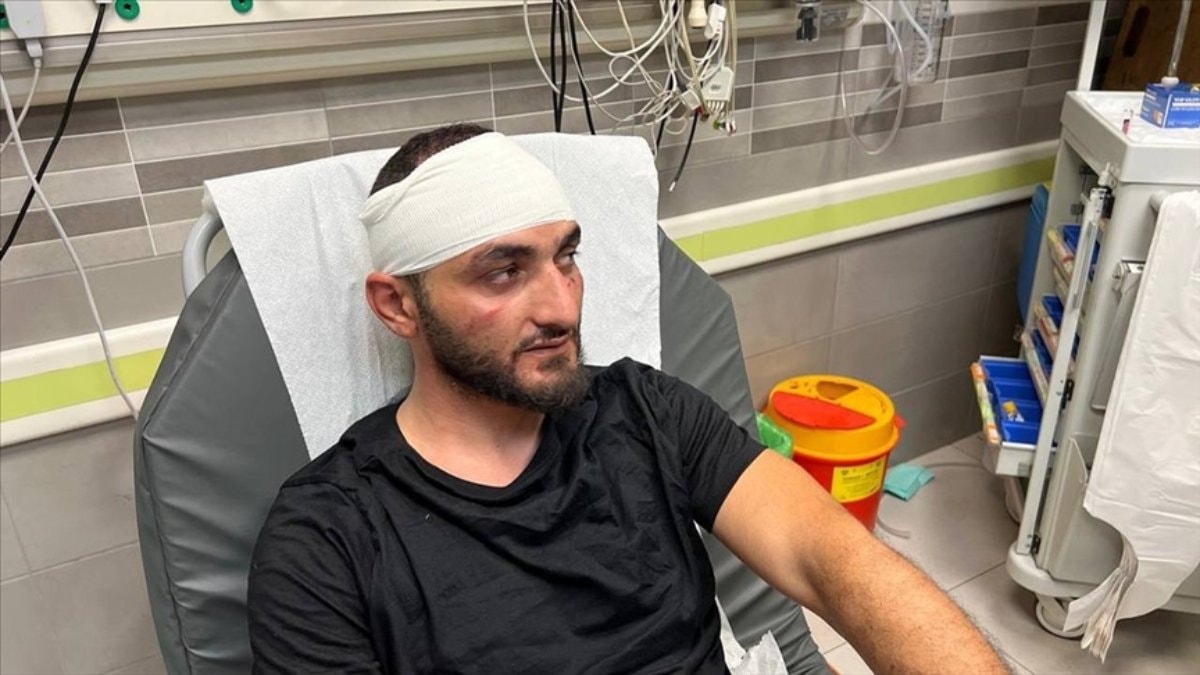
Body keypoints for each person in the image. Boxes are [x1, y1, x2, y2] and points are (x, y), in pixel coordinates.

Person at [247, 123, 1008, 675]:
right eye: (503, 271)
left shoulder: (644, 411)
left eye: (566, 257)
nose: (562, 307)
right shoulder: (327, 539)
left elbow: (828, 556)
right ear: (398, 305)